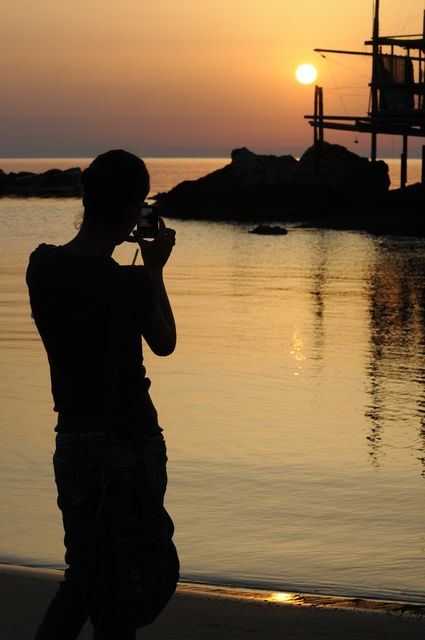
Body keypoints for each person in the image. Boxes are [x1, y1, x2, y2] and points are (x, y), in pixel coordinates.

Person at [26, 149, 177, 640]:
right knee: (126, 587)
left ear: (86, 199)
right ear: (134, 210)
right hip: (127, 444)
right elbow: (165, 342)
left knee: (83, 577)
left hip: (71, 442)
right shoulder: (128, 284)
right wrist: (154, 269)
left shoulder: (41, 267)